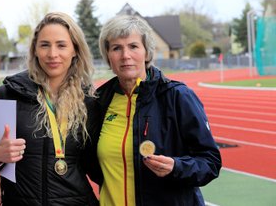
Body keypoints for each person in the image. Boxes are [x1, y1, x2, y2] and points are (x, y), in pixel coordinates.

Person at [0, 12, 101, 206]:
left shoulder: (90, 101)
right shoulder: (5, 97)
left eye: (61, 45)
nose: (52, 54)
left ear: (75, 50)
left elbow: (101, 169)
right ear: (35, 50)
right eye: (45, 45)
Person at [95, 14, 221, 206]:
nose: (125, 55)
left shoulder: (177, 96)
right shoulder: (100, 100)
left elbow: (210, 162)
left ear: (146, 52)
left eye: (133, 46)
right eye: (116, 48)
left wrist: (177, 167)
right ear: (108, 56)